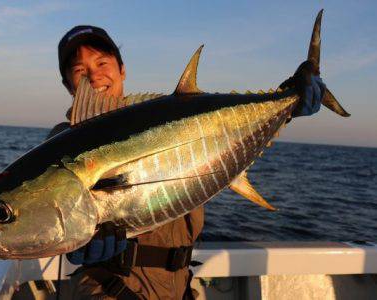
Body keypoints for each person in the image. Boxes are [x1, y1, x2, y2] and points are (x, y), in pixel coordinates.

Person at [51, 25, 325, 299]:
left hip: (180, 285)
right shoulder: (62, 144)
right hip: (110, 287)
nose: (94, 74)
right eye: (79, 70)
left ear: (122, 69)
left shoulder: (167, 118)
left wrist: (288, 102)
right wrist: (69, 243)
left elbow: (225, 137)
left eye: (102, 62)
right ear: (67, 85)